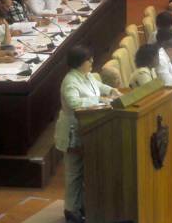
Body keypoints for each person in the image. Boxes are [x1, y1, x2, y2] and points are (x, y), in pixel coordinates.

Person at [54, 46, 120, 223]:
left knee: (84, 172)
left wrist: (109, 91)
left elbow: (97, 85)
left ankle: (80, 205)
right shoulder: (70, 81)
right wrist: (99, 99)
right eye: (88, 60)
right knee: (74, 173)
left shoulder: (86, 75)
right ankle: (71, 211)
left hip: (88, 129)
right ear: (78, 62)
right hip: (72, 132)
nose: (92, 62)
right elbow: (75, 103)